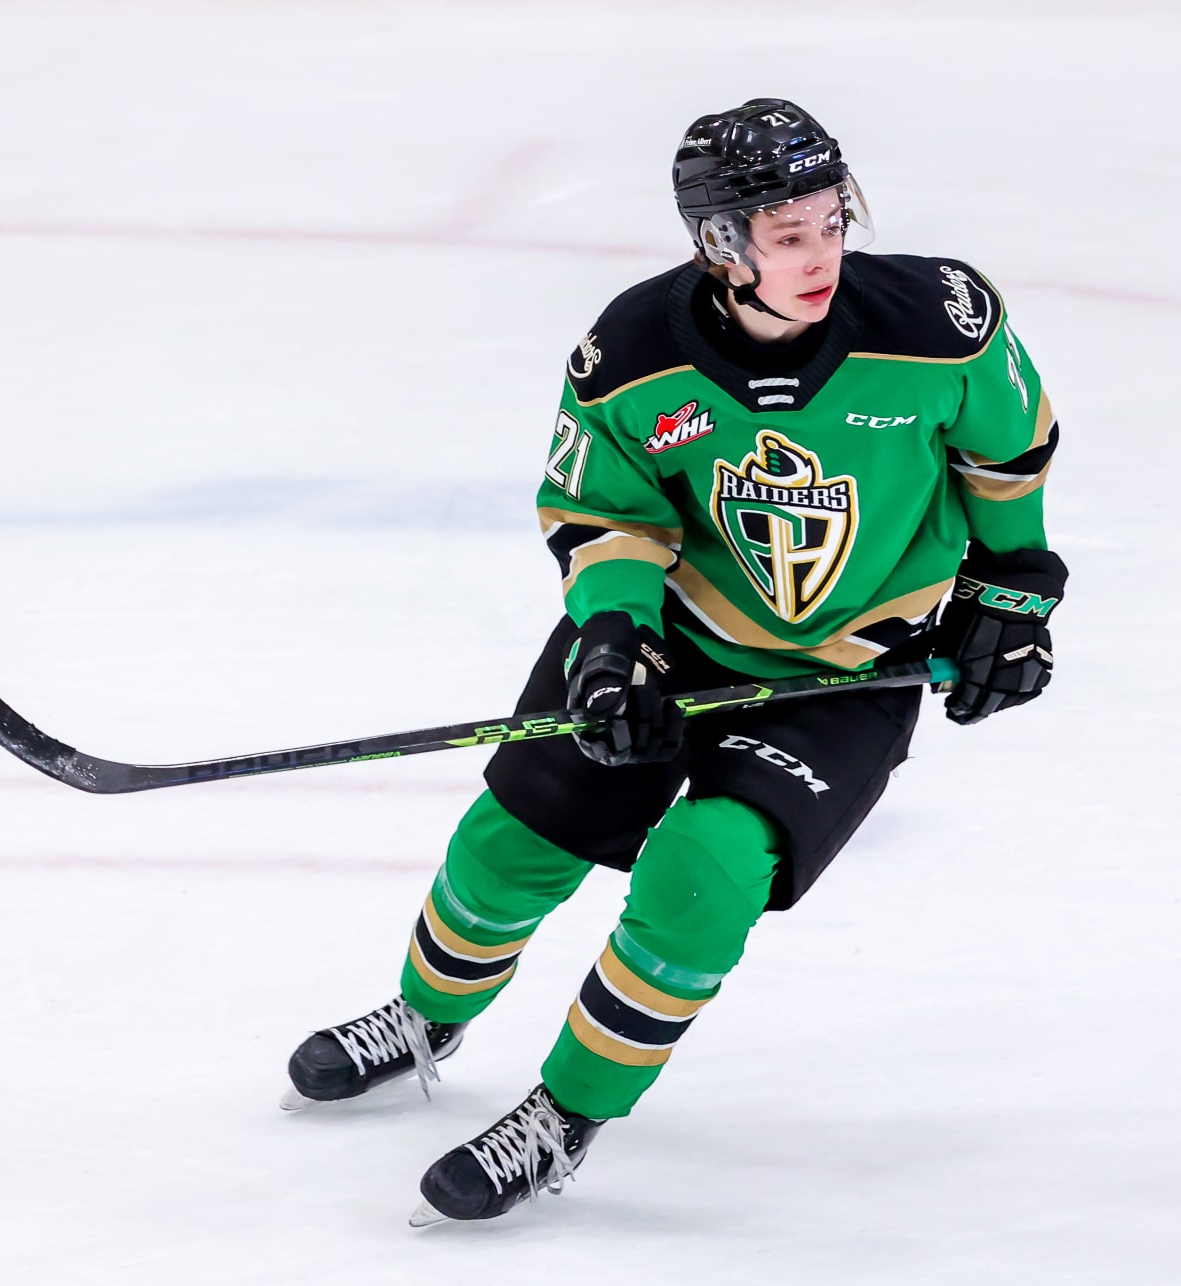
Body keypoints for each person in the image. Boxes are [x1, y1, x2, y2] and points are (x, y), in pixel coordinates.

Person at [280, 98, 1068, 1226]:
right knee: (515, 837)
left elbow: (1008, 458)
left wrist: (1011, 596)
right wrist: (611, 638)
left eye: (829, 222)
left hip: (847, 669)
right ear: (720, 244)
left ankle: (565, 1113)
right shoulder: (634, 353)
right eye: (787, 233)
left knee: (704, 868)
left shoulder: (941, 323)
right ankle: (424, 1015)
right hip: (676, 638)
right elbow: (604, 513)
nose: (821, 254)